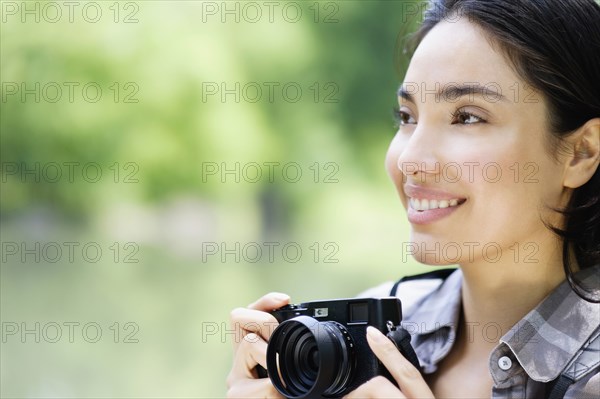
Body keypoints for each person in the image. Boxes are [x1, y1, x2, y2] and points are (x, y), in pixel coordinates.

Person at [226, 0, 600, 397]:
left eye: (467, 117)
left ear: (581, 153)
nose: (410, 160)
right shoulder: (362, 333)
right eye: (407, 117)